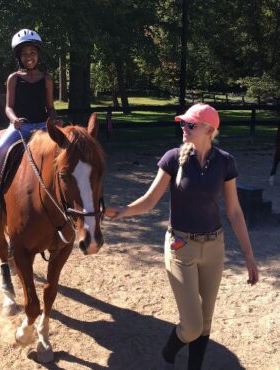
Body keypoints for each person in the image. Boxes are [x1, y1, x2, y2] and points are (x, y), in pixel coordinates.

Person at [105, 103, 259, 370]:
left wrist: (249, 256)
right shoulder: (173, 158)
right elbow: (150, 200)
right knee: (192, 325)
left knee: (205, 322)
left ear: (209, 129)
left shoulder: (225, 161)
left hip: (214, 247)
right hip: (180, 247)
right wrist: (121, 212)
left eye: (191, 124)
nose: (184, 128)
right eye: (183, 123)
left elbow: (234, 211)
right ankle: (168, 353)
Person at [0, 28, 61, 215]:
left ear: (38, 55)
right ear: (19, 57)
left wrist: (54, 118)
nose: (29, 57)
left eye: (33, 52)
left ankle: (64, 195)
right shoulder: (13, 78)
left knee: (66, 150)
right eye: (25, 53)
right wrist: (14, 120)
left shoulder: (47, 79)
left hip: (42, 126)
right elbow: (8, 107)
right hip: (21, 125)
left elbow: (50, 106)